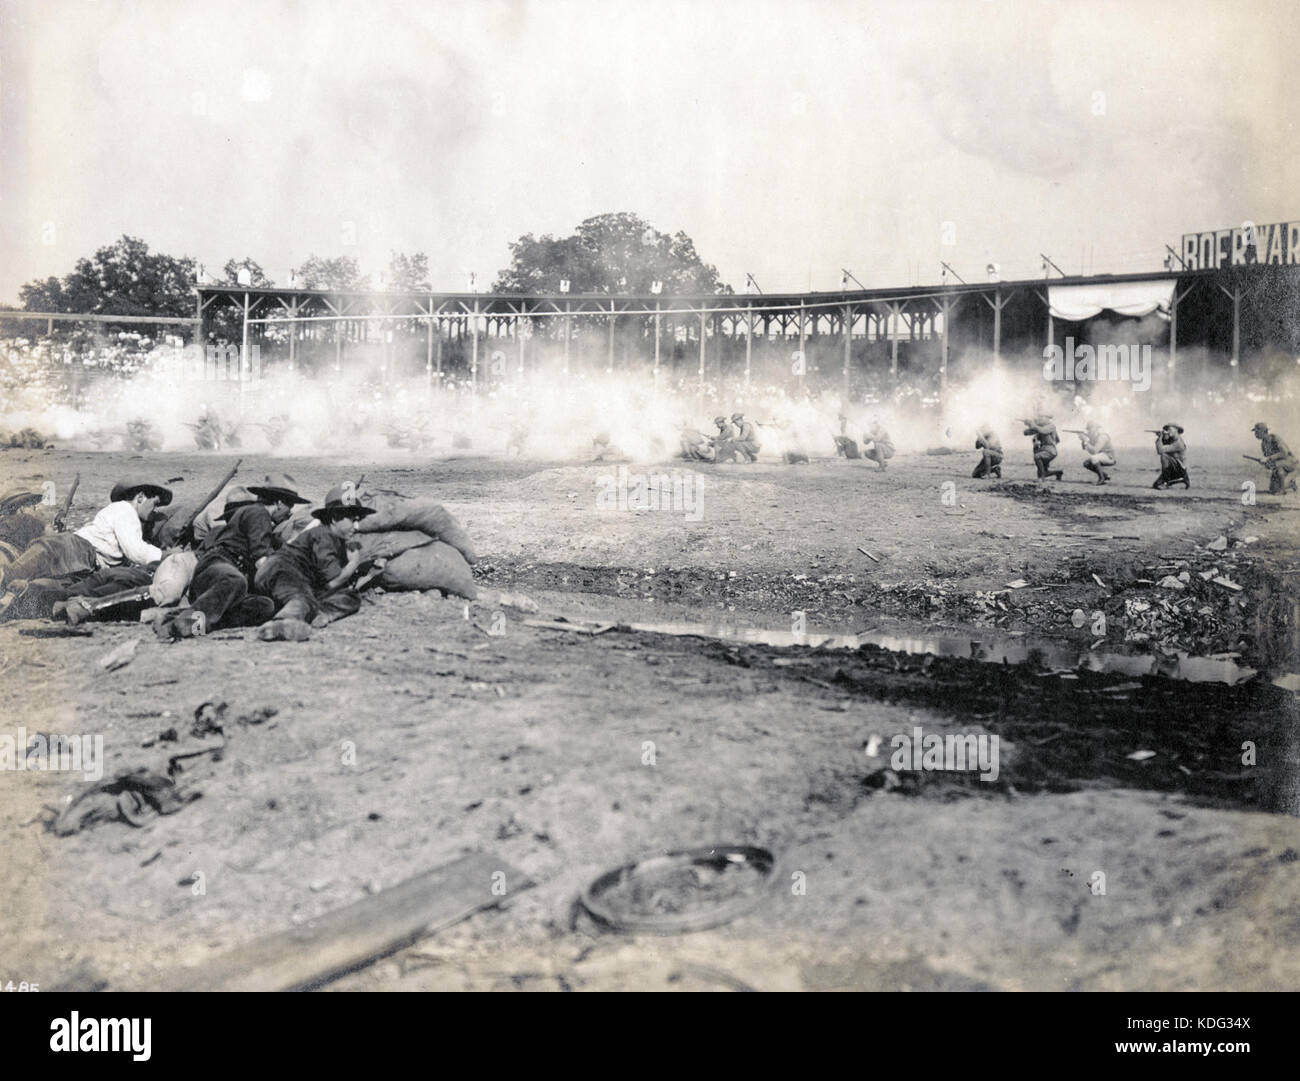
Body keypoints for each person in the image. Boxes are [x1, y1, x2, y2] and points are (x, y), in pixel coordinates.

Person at [155, 476, 307, 640]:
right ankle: (187, 623)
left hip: (222, 585)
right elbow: (261, 560)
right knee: (235, 580)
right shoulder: (258, 513)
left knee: (265, 606)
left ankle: (180, 618)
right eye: (290, 505)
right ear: (279, 503)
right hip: (218, 564)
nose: (290, 512)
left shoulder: (256, 516)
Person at [0, 478, 172, 620]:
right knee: (24, 566)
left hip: (86, 562)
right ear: (140, 497)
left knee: (47, 584)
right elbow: (137, 551)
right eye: (155, 503)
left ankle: (15, 598)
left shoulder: (124, 515)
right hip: (80, 548)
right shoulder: (124, 509)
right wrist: (166, 555)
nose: (154, 510)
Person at [254, 488, 373, 641]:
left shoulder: (334, 540)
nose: (356, 526)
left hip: (290, 577)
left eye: (357, 520)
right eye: (352, 520)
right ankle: (282, 623)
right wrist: (354, 562)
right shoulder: (323, 535)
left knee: (351, 597)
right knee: (303, 598)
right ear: (335, 519)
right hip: (282, 570)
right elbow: (332, 582)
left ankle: (315, 613)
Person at [1251, 422, 1299, 494]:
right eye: (1255, 432)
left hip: (1291, 463)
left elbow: (1284, 453)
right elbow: (1269, 461)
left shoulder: (1275, 438)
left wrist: (1268, 458)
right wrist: (1264, 462)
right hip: (1280, 466)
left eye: (1257, 432)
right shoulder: (1263, 444)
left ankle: (1282, 490)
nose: (1255, 434)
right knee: (1273, 489)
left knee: (1276, 465)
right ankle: (1290, 484)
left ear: (1264, 431)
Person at [1023, 414, 1062, 480]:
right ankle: (1058, 473)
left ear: (1047, 418)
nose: (1038, 419)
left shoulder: (1051, 426)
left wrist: (1033, 424)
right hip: (1043, 450)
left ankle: (1042, 475)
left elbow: (1043, 431)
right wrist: (1030, 425)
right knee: (1042, 473)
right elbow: (1026, 433)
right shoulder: (1040, 427)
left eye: (1041, 417)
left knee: (1037, 457)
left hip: (1050, 451)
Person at [1078, 421, 1116, 485]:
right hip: (1102, 456)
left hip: (1109, 457)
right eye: (1088, 429)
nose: (1089, 431)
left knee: (1094, 458)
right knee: (1086, 463)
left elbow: (1094, 451)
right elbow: (1085, 449)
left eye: (1090, 429)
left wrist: (1086, 441)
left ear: (1096, 429)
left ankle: (1101, 479)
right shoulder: (1093, 437)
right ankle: (1103, 475)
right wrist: (1083, 441)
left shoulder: (1102, 437)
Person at [1152, 423, 1189, 489]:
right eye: (1167, 430)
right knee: (1156, 485)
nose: (1168, 431)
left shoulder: (1178, 443)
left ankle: (1167, 481)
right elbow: (1162, 445)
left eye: (1170, 429)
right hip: (1174, 468)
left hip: (1179, 470)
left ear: (1176, 430)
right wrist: (1162, 438)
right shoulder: (1173, 440)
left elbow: (1160, 451)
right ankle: (1168, 481)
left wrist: (1160, 438)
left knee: (1164, 456)